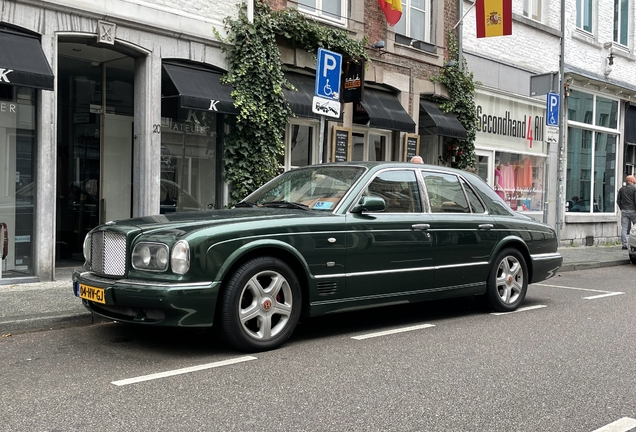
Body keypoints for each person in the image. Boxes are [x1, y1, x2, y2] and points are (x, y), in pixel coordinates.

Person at [617, 175, 636, 249]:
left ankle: (624, 244)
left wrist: (622, 208)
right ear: (630, 181)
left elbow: (618, 201)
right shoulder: (634, 189)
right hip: (633, 211)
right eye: (634, 178)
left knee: (624, 228)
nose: (635, 179)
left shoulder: (621, 189)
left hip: (624, 210)